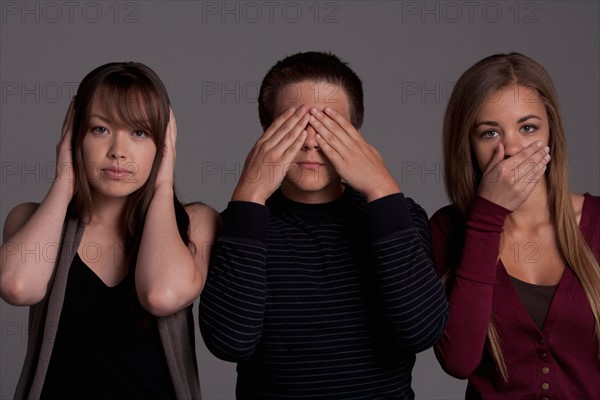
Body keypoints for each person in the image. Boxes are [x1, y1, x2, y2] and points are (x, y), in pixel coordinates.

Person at [199, 51, 448, 399]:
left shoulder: (399, 215)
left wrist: (381, 188)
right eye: (294, 126)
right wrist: (250, 191)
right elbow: (229, 343)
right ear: (267, 134)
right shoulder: (239, 224)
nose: (311, 142)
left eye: (329, 127)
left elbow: (420, 332)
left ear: (356, 135)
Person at [0, 62, 219, 399]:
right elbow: (17, 287)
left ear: (163, 145)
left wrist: (163, 184)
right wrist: (64, 179)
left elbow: (162, 295)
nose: (118, 150)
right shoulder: (29, 218)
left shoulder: (195, 222)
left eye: (140, 133)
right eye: (100, 129)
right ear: (75, 136)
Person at [430, 53, 600, 398]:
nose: (511, 149)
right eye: (490, 132)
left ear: (551, 129)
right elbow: (459, 362)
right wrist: (487, 218)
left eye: (528, 127)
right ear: (468, 144)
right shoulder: (448, 230)